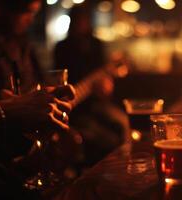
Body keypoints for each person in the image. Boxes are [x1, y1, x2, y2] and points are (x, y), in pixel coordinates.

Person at [0, 1, 75, 199]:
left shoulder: (23, 43)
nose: (32, 19)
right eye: (27, 12)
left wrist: (43, 101)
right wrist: (13, 108)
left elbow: (37, 86)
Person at [54, 4, 129, 166]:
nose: (82, 23)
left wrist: (106, 87)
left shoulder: (96, 45)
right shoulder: (61, 47)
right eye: (78, 20)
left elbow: (105, 78)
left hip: (97, 103)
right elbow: (57, 81)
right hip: (74, 109)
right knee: (106, 138)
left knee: (123, 122)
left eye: (85, 20)